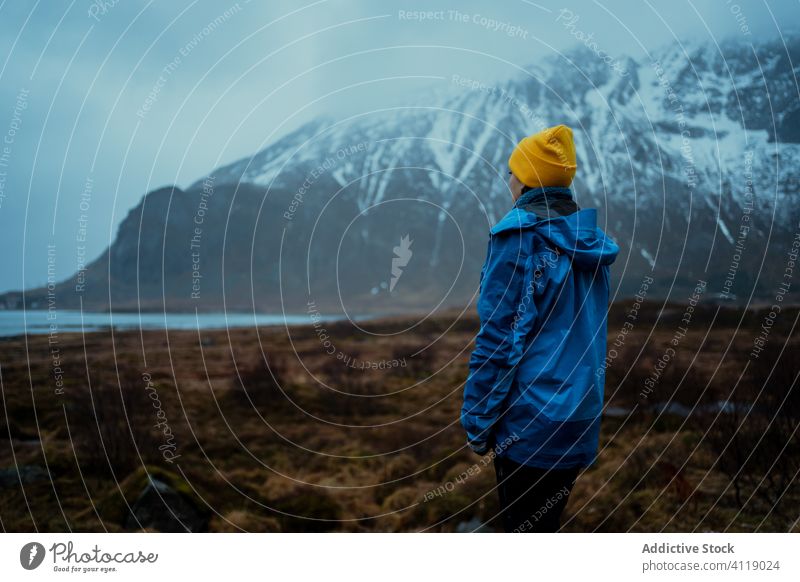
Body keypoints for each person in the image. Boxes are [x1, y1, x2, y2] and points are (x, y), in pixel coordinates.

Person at [461, 124, 620, 532]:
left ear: (527, 178)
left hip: (530, 422)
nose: (507, 179)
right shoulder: (590, 242)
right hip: (579, 418)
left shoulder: (520, 238)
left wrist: (478, 421)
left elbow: (500, 339)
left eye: (511, 171)